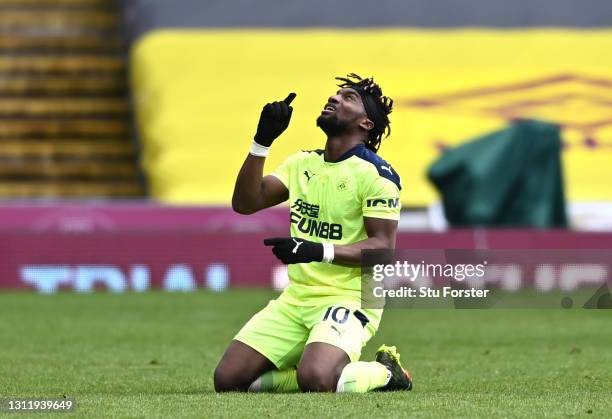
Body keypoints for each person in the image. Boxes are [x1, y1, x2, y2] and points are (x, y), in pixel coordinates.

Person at [214, 73, 412, 393]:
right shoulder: (302, 163)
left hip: (351, 298)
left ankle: (387, 372)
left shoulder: (376, 175)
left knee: (318, 379)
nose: (335, 98)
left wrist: (317, 250)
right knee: (229, 381)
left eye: (348, 98)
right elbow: (245, 203)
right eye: (336, 94)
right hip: (298, 298)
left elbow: (382, 249)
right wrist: (262, 141)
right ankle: (312, 362)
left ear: (366, 124)